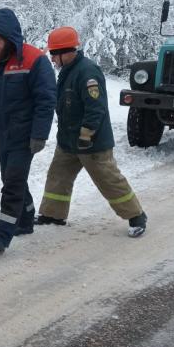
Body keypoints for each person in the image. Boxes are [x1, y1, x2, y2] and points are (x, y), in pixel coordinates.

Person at [37, 26, 147, 237]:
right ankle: (53, 214)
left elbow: (95, 108)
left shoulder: (87, 72)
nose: (51, 59)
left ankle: (136, 216)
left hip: (91, 141)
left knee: (108, 178)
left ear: (66, 52)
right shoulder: (68, 71)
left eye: (53, 54)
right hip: (68, 140)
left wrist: (86, 135)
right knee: (58, 175)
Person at [0, 8, 56, 255]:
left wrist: (40, 134)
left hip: (24, 137)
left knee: (12, 183)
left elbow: (46, 100)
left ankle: (2, 234)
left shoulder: (34, 60)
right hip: (0, 135)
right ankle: (25, 220)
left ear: (10, 37)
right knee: (11, 178)